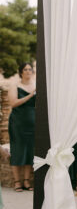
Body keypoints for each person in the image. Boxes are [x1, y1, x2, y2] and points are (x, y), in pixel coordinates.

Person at [8, 62, 36, 192]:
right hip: (17, 122)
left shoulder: (36, 85)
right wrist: (31, 95)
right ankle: (17, 182)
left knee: (30, 151)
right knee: (18, 150)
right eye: (25, 69)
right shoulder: (15, 86)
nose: (28, 71)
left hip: (32, 123)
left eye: (30, 69)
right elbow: (13, 103)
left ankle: (26, 181)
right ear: (21, 72)